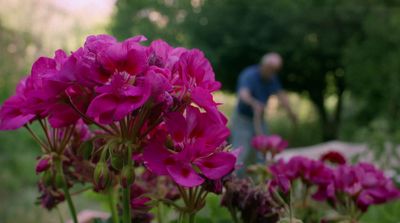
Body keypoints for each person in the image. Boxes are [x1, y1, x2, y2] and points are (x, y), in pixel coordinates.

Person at [230, 52, 297, 171]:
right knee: (239, 153)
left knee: (265, 152)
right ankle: (230, 181)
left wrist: (291, 113)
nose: (273, 72)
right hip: (243, 119)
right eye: (271, 69)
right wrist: (254, 103)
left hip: (260, 120)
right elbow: (243, 94)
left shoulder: (272, 79)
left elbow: (281, 95)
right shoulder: (249, 74)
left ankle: (262, 181)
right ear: (264, 65)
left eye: (275, 70)